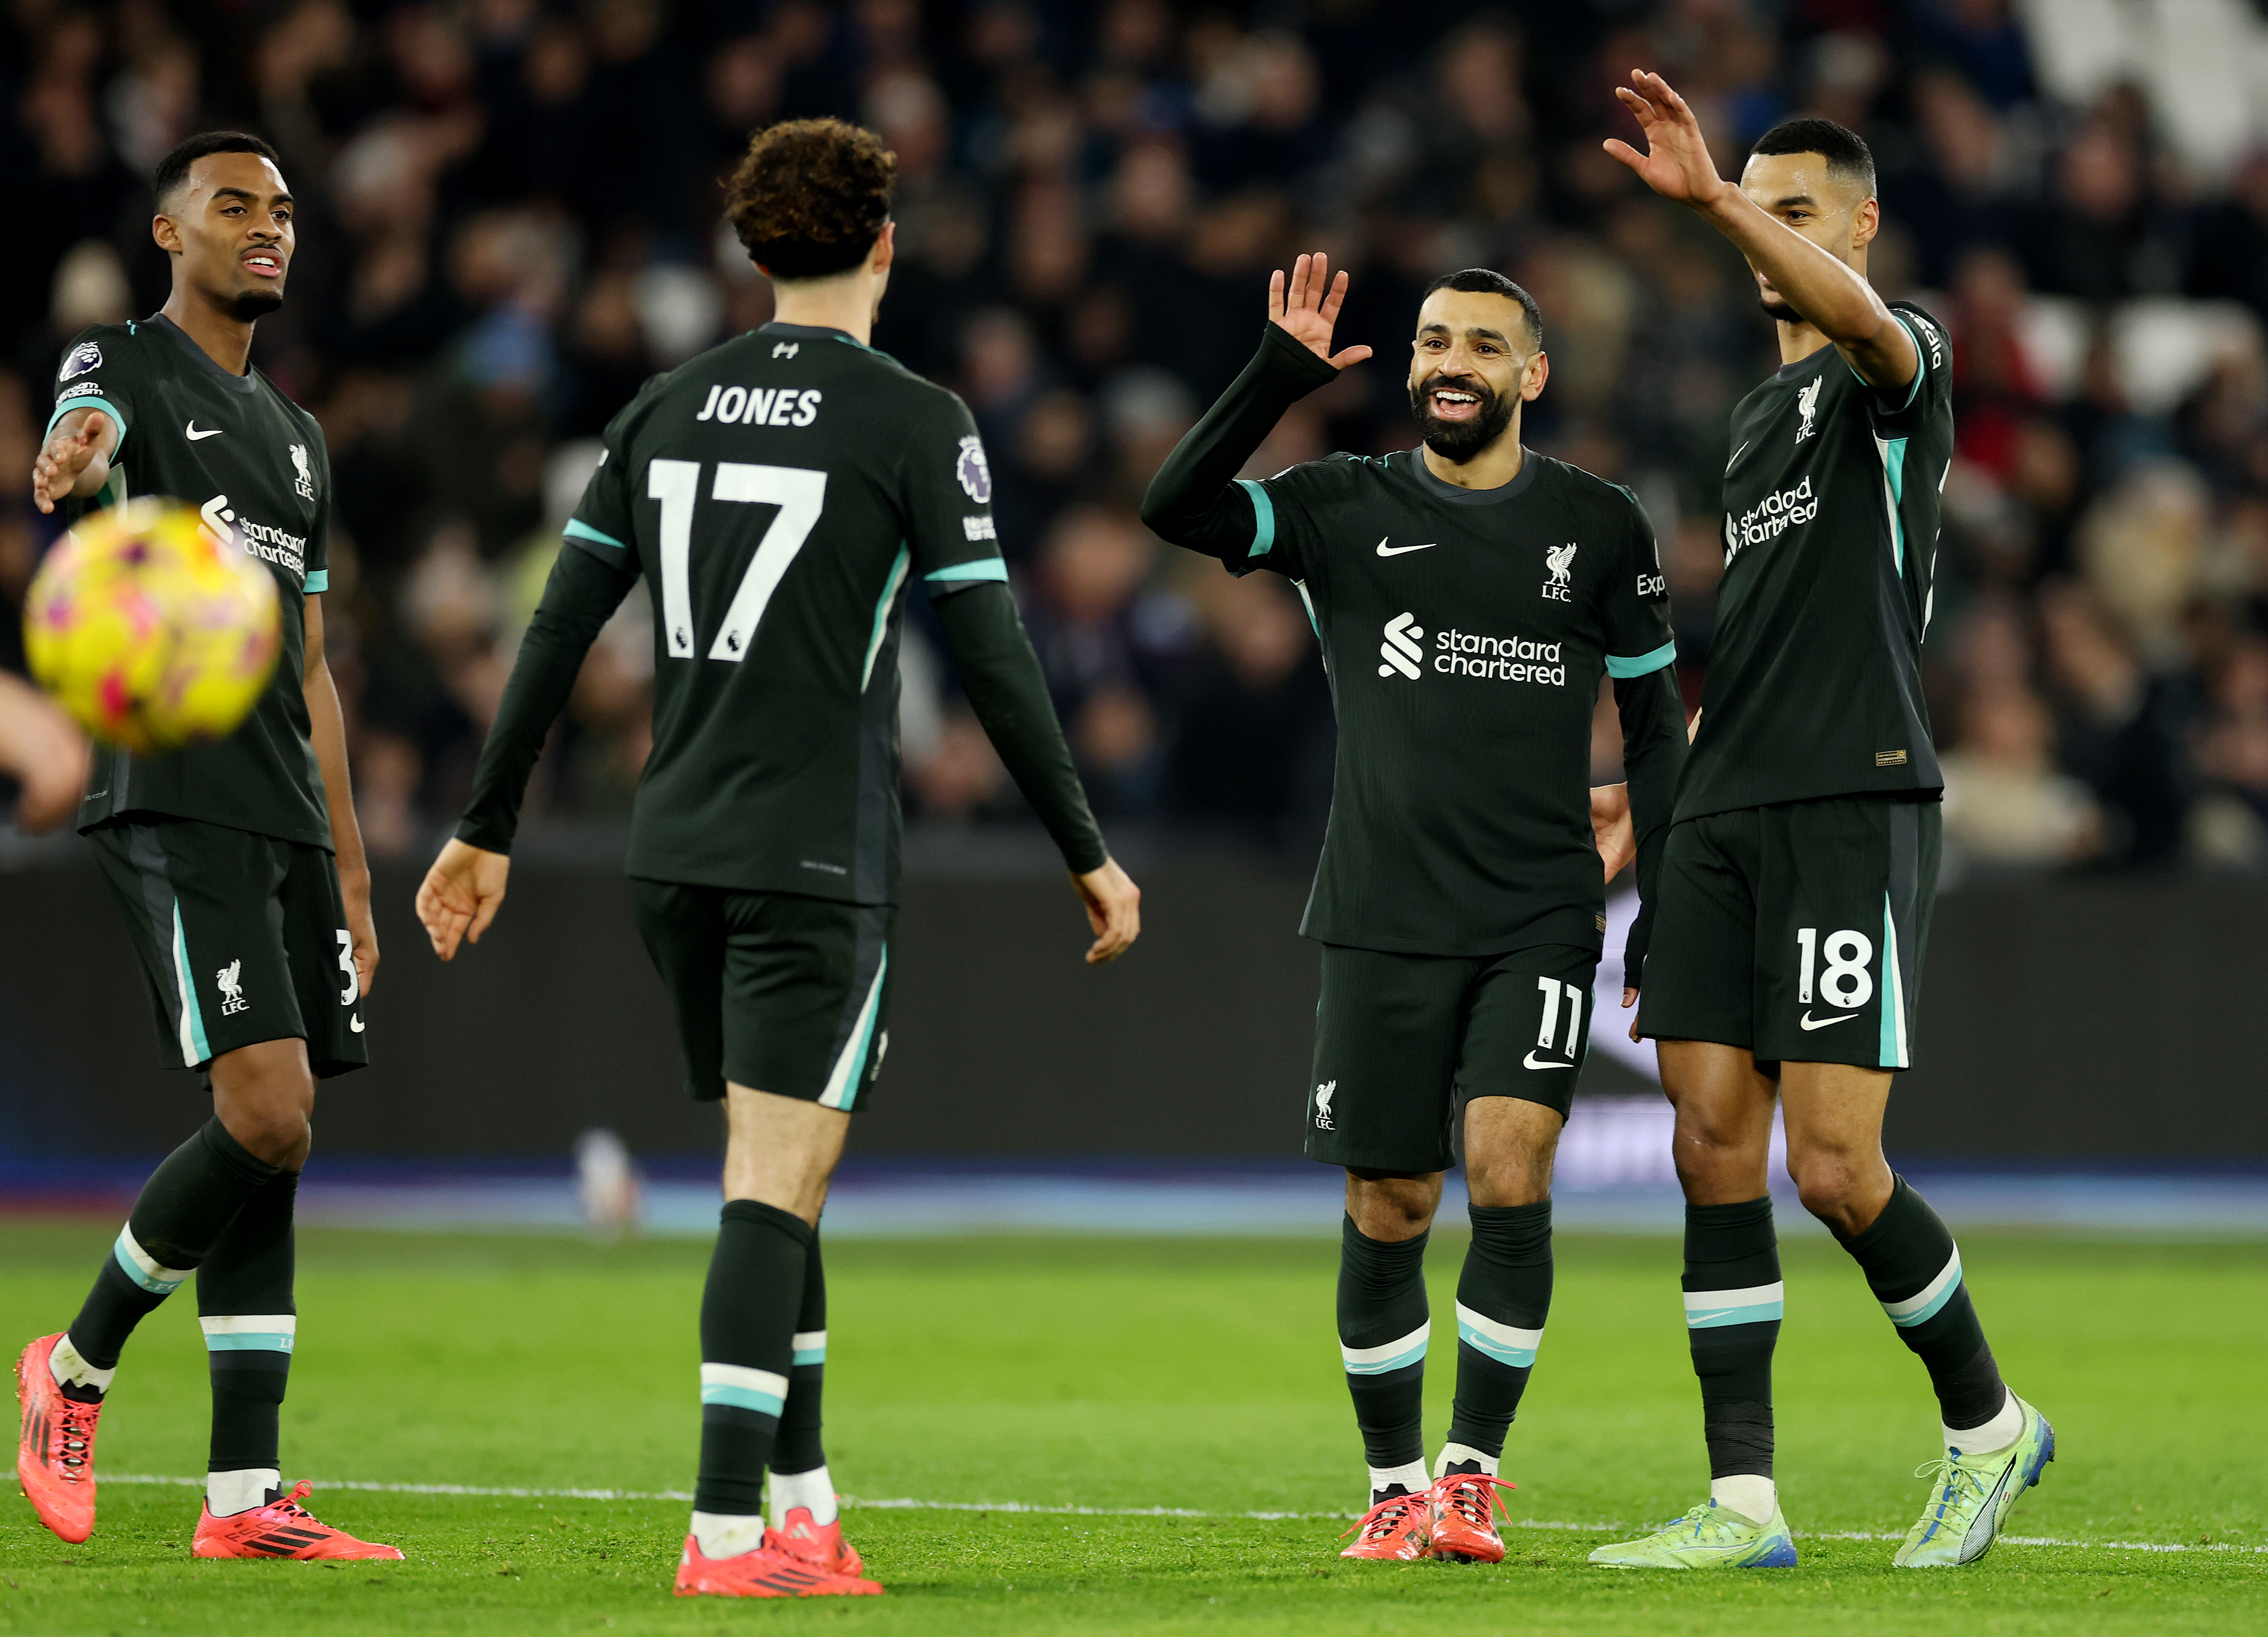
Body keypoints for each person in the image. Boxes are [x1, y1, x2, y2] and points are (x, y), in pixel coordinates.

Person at [413, 118, 1141, 1601]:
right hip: (813, 856)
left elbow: (554, 629)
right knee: (770, 1181)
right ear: (887, 242)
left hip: (670, 847)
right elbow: (994, 655)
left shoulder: (661, 408)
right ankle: (728, 1532)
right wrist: (1086, 846)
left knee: (781, 1178)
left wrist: (484, 820)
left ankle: (804, 1506)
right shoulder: (914, 417)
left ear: (753, 253)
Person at [1142, 255, 1686, 1565]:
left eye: (1484, 347)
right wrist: (1279, 372)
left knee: (1512, 1169)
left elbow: (1656, 725)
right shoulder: (1344, 506)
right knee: (1391, 1201)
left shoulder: (1602, 527)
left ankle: (1470, 1477)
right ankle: (1393, 1487)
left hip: (1540, 914)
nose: (1452, 363)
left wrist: (1664, 903)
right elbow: (1176, 505)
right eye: (1436, 341)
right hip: (1382, 912)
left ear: (1532, 376)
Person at [1593, 76, 2053, 1572]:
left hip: (1855, 799)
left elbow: (1857, 323)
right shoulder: (1751, 421)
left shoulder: (1890, 360)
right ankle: (1742, 1506)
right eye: (1756, 208)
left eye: (1795, 213)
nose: (1761, 236)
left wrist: (1717, 197)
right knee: (1710, 1146)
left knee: (1836, 1168)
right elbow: (1777, 637)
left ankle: (1989, 1432)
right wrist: (1654, 787)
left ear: (1857, 227)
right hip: (1727, 811)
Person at [15, 131, 397, 1561]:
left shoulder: (297, 440)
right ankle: (75, 1367)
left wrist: (353, 862)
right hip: (172, 795)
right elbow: (87, 443)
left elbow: (309, 670)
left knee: (277, 1145)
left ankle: (246, 1499)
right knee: (266, 1114)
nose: (269, 230)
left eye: (286, 212)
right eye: (235, 207)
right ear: (169, 232)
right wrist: (74, 456)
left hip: (286, 814)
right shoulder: (119, 366)